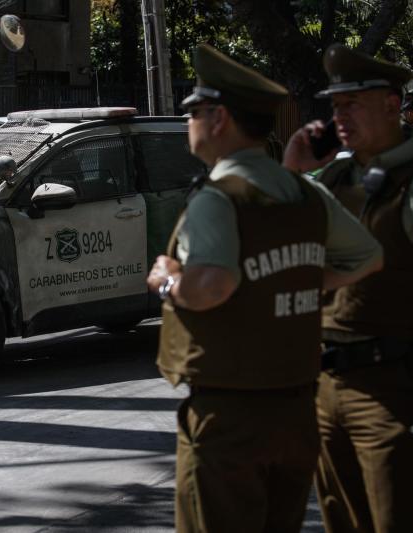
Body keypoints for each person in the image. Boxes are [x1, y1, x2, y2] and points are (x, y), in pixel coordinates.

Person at [147, 43, 383, 533]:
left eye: (194, 110)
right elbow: (368, 257)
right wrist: (297, 281)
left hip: (230, 418)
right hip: (296, 409)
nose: (188, 120)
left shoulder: (219, 197)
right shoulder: (304, 191)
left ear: (219, 119)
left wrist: (166, 280)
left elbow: (212, 286)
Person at [284, 44, 413, 533]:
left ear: (392, 106)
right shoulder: (333, 177)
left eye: (350, 105)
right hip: (324, 384)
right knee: (341, 519)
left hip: (392, 384)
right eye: (334, 107)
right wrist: (291, 168)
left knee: (397, 520)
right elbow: (276, 239)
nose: (339, 117)